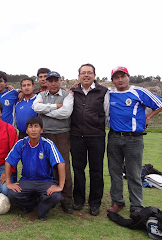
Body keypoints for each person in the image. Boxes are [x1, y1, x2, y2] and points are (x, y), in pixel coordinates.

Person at [107, 66, 162, 213]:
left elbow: (159, 104)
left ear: (128, 77)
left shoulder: (139, 92)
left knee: (134, 173)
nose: (120, 80)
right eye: (116, 78)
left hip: (134, 139)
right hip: (113, 137)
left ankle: (136, 205)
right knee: (115, 172)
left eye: (122, 76)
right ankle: (118, 202)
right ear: (112, 81)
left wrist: (148, 117)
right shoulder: (110, 94)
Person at [5, 116, 65, 221]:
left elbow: (61, 163)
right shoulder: (21, 143)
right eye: (30, 127)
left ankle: (41, 209)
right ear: (26, 130)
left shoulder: (47, 144)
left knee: (56, 196)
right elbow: (8, 161)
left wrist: (60, 186)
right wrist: (8, 182)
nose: (33, 130)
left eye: (36, 126)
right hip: (27, 180)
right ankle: (30, 204)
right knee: (11, 193)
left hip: (45, 181)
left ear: (41, 130)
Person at [32, 71, 74, 214]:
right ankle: (44, 197)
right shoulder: (41, 95)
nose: (53, 83)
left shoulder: (67, 95)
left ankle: (66, 200)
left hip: (62, 134)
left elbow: (66, 113)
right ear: (47, 83)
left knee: (63, 166)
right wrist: (55, 107)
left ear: (60, 81)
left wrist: (46, 110)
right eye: (50, 81)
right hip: (44, 134)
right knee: (43, 166)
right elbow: (36, 107)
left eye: (56, 80)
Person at [70, 63, 109, 216]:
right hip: (76, 137)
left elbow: (107, 114)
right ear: (79, 76)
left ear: (94, 75)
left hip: (96, 137)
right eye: (83, 73)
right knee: (78, 170)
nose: (86, 75)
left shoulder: (104, 92)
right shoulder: (73, 92)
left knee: (96, 171)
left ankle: (95, 202)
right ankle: (78, 200)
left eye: (89, 73)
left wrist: (97, 127)